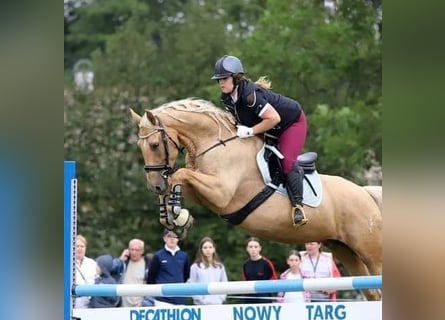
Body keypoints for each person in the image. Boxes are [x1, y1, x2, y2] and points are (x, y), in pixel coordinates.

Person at [211, 55, 308, 227]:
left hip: (290, 124)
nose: (221, 83)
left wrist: (250, 130)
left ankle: (298, 206)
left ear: (236, 77)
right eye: (219, 80)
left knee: (285, 161)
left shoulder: (249, 95)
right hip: (269, 127)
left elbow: (274, 118)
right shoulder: (226, 98)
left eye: (224, 79)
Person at [147, 230, 190, 305]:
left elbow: (186, 276)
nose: (172, 239)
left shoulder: (184, 256)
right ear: (164, 239)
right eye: (169, 236)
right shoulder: (158, 256)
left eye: (175, 236)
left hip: (179, 299)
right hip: (162, 300)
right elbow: (151, 278)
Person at [112, 239, 154, 307]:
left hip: (140, 307)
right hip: (123, 306)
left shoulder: (148, 263)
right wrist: (120, 259)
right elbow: (109, 269)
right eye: (132, 249)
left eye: (137, 250)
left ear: (142, 251)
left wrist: (146, 303)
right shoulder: (124, 263)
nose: (134, 252)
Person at [189, 237, 228, 305]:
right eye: (205, 247)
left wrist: (220, 298)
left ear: (214, 249)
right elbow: (192, 287)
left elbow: (225, 284)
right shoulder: (195, 267)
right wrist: (201, 300)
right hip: (201, 305)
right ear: (201, 250)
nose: (208, 250)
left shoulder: (220, 267)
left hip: (217, 304)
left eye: (210, 247)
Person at [241, 237, 278, 304]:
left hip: (264, 298)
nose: (253, 249)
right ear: (247, 249)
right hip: (249, 298)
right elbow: (244, 282)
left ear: (260, 248)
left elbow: (274, 281)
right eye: (251, 247)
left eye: (255, 247)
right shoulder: (245, 264)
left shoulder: (266, 263)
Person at [74, 234, 97, 308]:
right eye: (77, 246)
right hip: (74, 305)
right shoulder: (67, 263)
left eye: (82, 246)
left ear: (85, 248)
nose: (79, 248)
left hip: (90, 305)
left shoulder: (92, 263)